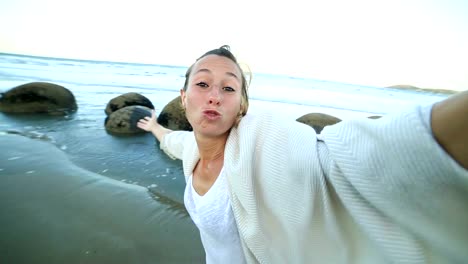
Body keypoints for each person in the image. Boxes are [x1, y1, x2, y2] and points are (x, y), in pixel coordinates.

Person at [137, 45, 468, 263]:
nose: (214, 97)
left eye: (228, 88)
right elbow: (173, 141)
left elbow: (334, 164)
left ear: (241, 105)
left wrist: (431, 138)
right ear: (183, 97)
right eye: (203, 84)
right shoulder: (193, 151)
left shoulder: (261, 149)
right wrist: (154, 127)